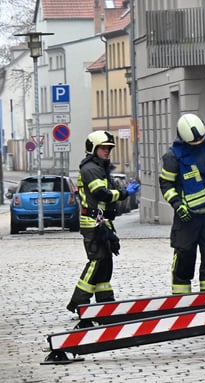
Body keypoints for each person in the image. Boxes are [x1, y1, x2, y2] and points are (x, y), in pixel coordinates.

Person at [159, 113, 205, 294]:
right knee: (184, 258)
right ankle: (181, 301)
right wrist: (177, 204)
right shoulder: (173, 156)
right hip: (187, 218)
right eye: (194, 143)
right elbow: (166, 183)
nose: (198, 144)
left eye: (201, 140)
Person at [66, 130, 123, 313]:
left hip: (101, 222)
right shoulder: (90, 168)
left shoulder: (101, 168)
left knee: (105, 264)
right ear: (93, 149)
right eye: (103, 148)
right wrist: (124, 193)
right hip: (92, 223)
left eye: (108, 148)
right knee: (97, 261)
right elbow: (102, 194)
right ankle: (78, 302)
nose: (107, 151)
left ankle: (105, 302)